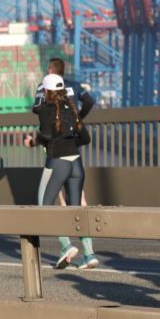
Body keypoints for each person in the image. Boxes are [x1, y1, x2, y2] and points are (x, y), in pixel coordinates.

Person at [27, 74, 98, 269]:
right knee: (76, 211)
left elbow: (45, 131)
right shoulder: (72, 108)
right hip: (76, 163)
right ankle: (89, 254)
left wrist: (34, 140)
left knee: (45, 205)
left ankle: (66, 246)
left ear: (46, 91)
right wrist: (68, 141)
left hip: (58, 162)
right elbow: (85, 138)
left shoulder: (46, 109)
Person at [31, 57, 96, 118]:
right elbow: (89, 101)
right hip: (72, 127)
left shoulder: (43, 86)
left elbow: (37, 108)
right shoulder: (74, 85)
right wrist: (79, 117)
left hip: (52, 127)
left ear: (50, 70)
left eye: (48, 68)